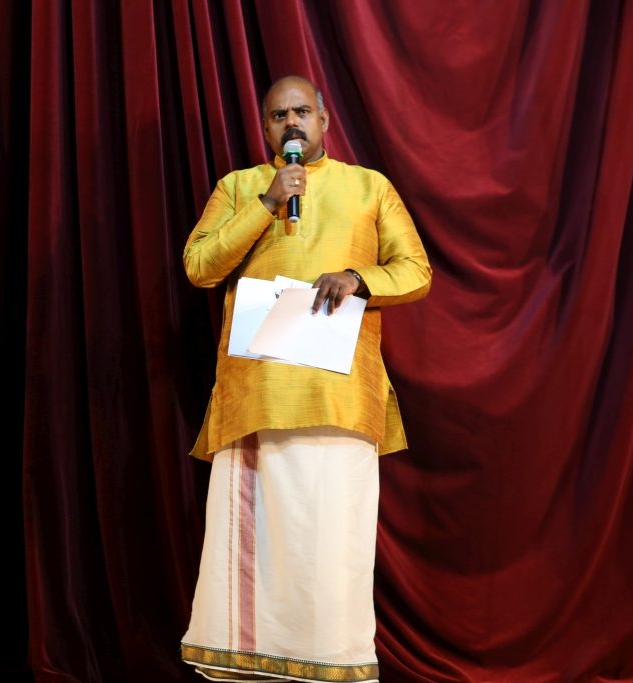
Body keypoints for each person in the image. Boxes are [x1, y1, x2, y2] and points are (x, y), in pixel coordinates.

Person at [180, 76, 431, 682]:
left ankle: (330, 670)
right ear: (265, 127)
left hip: (338, 395)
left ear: (324, 119)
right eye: (277, 116)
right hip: (257, 396)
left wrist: (359, 278)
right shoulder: (239, 188)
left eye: (300, 112)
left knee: (331, 546)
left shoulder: (369, 187)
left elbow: (416, 270)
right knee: (255, 549)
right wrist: (266, 204)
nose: (290, 123)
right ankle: (251, 670)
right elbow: (199, 267)